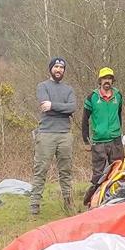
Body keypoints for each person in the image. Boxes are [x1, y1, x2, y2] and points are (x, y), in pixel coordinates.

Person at [31, 57, 77, 215]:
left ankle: (68, 202)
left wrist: (54, 105)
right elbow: (45, 107)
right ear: (51, 68)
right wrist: (62, 108)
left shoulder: (69, 89)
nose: (59, 70)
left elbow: (72, 107)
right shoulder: (42, 86)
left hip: (65, 134)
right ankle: (35, 203)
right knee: (41, 169)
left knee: (66, 171)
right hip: (46, 134)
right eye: (56, 67)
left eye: (61, 68)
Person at [82, 67, 125, 206]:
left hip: (116, 140)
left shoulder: (118, 95)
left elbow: (119, 115)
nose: (107, 81)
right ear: (100, 81)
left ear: (112, 80)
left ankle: (118, 200)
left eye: (110, 78)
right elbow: (84, 119)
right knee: (98, 175)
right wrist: (86, 140)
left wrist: (119, 132)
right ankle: (93, 201)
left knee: (118, 171)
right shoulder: (92, 97)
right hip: (99, 141)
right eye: (104, 78)